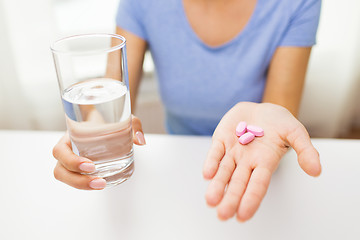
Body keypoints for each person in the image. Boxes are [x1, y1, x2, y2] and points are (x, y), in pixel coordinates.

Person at [52, 0, 322, 222]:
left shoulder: (296, 4)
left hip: (258, 173)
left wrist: (271, 123)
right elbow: (111, 97)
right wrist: (91, 134)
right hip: (176, 177)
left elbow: (278, 110)